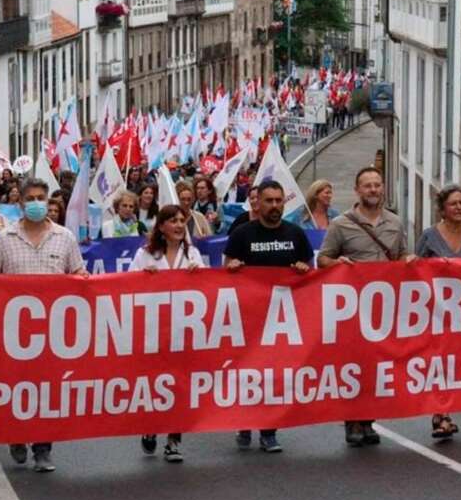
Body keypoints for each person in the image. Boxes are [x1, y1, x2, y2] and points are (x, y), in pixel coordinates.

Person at [0, 177, 88, 473]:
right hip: (15, 335)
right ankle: (16, 435)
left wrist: (82, 278)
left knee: (47, 392)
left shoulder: (65, 238)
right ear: (21, 203)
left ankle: (42, 449)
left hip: (53, 334)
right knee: (18, 389)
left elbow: (78, 273)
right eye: (32, 198)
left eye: (42, 197)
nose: (38, 203)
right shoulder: (4, 239)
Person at [318, 167, 415, 447]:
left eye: (377, 185)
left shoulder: (395, 224)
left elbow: (399, 257)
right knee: (354, 367)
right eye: (367, 185)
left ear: (382, 188)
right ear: (357, 190)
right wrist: (338, 264)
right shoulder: (341, 224)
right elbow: (323, 259)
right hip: (351, 310)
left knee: (376, 367)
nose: (373, 190)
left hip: (383, 310)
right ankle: (352, 420)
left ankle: (368, 419)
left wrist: (408, 260)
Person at [224, 181, 313, 453]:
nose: (274, 206)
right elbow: (224, 268)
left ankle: (268, 430)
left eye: (278, 201)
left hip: (282, 321)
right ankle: (244, 421)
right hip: (249, 318)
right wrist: (233, 268)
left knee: (275, 375)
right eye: (269, 201)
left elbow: (310, 268)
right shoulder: (242, 234)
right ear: (257, 203)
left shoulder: (296, 234)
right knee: (248, 373)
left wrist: (302, 269)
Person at [130, 204, 205, 462]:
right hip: (153, 332)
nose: (178, 225)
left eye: (182, 220)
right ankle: (150, 427)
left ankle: (174, 440)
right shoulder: (145, 255)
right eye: (172, 220)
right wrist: (143, 277)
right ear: (161, 226)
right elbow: (125, 286)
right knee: (154, 384)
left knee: (181, 387)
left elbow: (211, 290)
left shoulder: (193, 254)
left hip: (184, 333)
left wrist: (199, 276)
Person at [415, 185, 461, 439]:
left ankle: (447, 411)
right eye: (454, 204)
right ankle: (440, 414)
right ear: (442, 209)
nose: (459, 207)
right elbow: (414, 271)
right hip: (436, 313)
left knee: (458, 365)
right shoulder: (429, 236)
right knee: (439, 363)